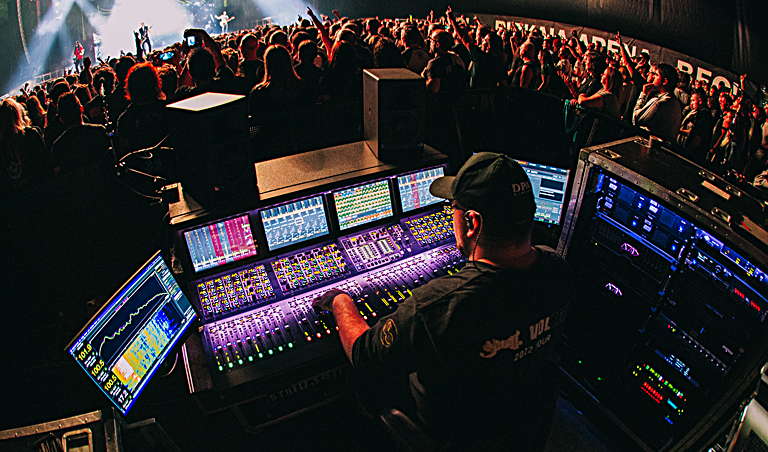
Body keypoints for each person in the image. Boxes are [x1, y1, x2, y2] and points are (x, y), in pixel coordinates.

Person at [313, 153, 574, 451]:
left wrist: (340, 301)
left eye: (453, 208)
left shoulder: (436, 308)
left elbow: (363, 353)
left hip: (452, 433)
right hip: (517, 422)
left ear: (472, 222)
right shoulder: (559, 272)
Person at [632, 63, 682, 143]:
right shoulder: (674, 101)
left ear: (665, 81)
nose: (653, 77)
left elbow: (636, 119)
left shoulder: (660, 103)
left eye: (656, 74)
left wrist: (643, 95)